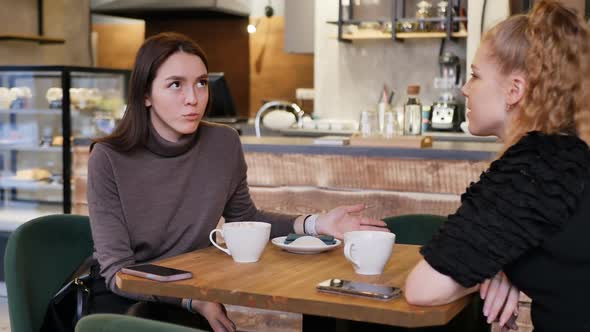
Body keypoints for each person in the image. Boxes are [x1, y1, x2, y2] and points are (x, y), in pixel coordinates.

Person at [87, 32, 388, 332]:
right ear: (145, 95)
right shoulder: (108, 157)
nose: (193, 98)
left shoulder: (223, 143)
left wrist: (317, 224)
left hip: (191, 294)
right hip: (125, 306)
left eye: (201, 83)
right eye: (175, 84)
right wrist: (191, 301)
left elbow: (245, 221)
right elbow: (117, 272)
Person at [404, 1, 590, 331]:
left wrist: (486, 266)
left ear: (514, 90)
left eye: (475, 75)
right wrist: (501, 263)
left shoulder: (534, 170)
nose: (464, 88)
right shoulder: (566, 153)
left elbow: (423, 289)